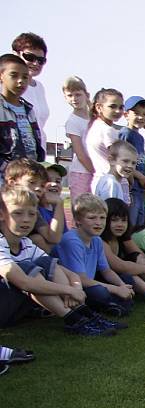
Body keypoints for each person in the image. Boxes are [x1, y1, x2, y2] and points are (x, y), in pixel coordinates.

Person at [0, 186, 117, 336]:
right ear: (2, 215)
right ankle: (75, 320)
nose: (26, 219)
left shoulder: (26, 243)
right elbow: (25, 283)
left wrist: (75, 287)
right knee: (26, 268)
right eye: (17, 213)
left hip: (17, 307)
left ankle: (84, 315)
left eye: (32, 214)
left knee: (47, 264)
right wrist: (68, 290)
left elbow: (62, 270)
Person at [53, 193, 134, 318]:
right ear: (78, 221)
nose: (98, 223)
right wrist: (117, 290)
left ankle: (112, 306)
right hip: (76, 287)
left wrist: (121, 285)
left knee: (126, 279)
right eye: (92, 218)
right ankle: (109, 306)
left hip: (89, 283)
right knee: (99, 292)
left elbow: (106, 270)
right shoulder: (72, 241)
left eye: (102, 218)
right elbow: (82, 279)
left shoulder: (96, 240)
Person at [0, 54, 45, 184]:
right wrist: (9, 170)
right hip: (6, 178)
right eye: (14, 75)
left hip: (27, 177)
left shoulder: (28, 109)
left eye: (25, 77)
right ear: (1, 76)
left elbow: (35, 145)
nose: (21, 81)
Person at [3, 158, 64, 252]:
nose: (38, 188)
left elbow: (53, 238)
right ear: (12, 183)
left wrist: (59, 204)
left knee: (37, 239)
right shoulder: (3, 204)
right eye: (32, 182)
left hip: (17, 252)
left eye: (42, 185)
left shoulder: (32, 209)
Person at [118, 96, 145, 226]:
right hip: (130, 188)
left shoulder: (140, 137)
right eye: (136, 113)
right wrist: (139, 177)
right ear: (126, 114)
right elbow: (122, 162)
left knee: (139, 223)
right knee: (130, 223)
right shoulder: (126, 133)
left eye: (144, 114)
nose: (141, 117)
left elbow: (140, 163)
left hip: (139, 189)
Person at [12, 33, 49, 146]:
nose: (35, 63)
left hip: (37, 153)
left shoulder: (39, 87)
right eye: (30, 57)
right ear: (16, 54)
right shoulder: (4, 85)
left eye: (41, 60)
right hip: (13, 154)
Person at [62, 76, 93, 205]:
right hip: (82, 172)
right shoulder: (73, 122)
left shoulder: (95, 118)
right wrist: (95, 171)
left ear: (87, 95)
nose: (74, 99)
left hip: (96, 169)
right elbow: (80, 154)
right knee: (81, 209)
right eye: (70, 95)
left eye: (78, 94)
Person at [85, 88, 124, 190]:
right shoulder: (108, 130)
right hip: (112, 181)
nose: (118, 111)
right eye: (112, 106)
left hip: (99, 181)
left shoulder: (94, 126)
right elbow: (120, 159)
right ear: (99, 107)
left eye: (121, 107)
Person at [92, 140, 136, 206]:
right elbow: (109, 210)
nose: (130, 166)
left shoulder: (112, 181)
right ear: (111, 160)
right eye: (125, 161)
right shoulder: (111, 183)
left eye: (133, 163)